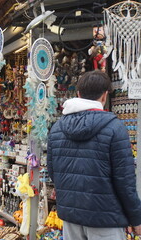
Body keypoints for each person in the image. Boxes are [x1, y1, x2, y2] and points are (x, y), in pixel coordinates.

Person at [47, 70, 141, 240]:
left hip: (71, 217)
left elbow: (54, 173)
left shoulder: (57, 129)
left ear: (78, 94)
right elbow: (125, 181)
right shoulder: (115, 128)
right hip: (105, 219)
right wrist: (136, 219)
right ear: (105, 96)